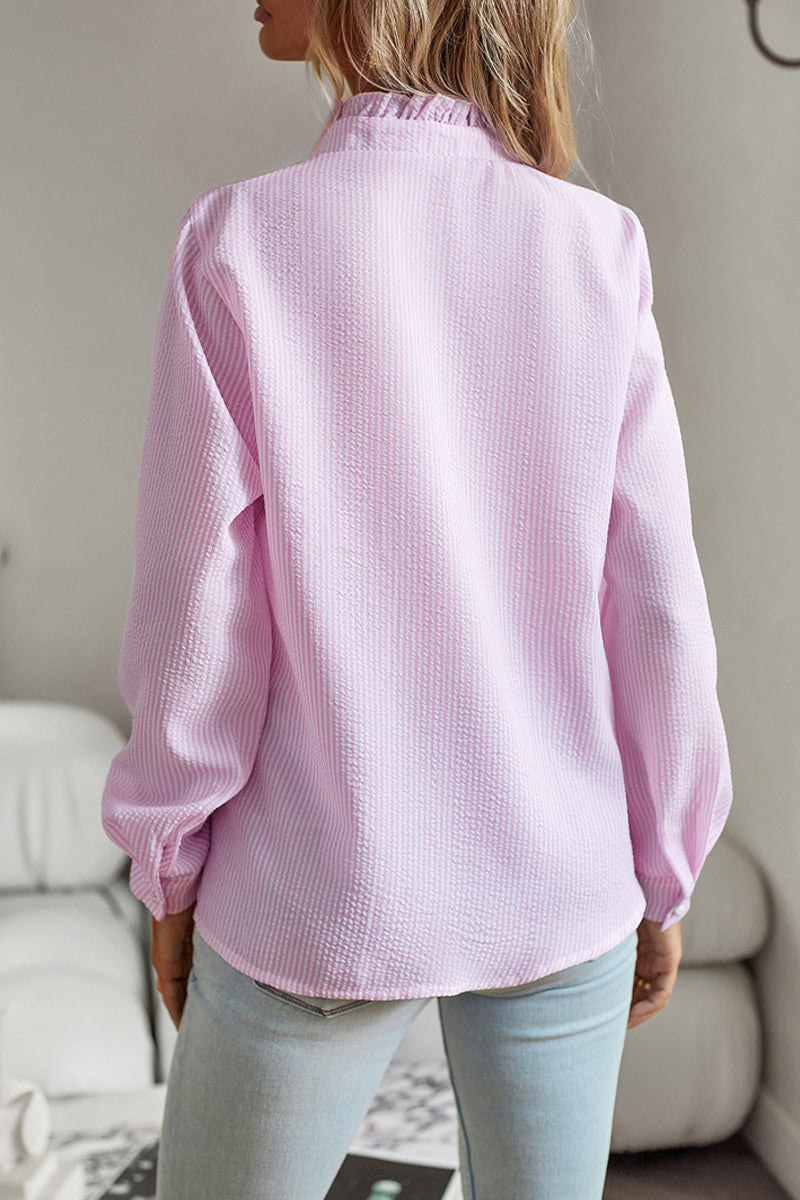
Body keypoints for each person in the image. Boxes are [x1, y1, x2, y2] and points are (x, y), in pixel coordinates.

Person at [100, 1, 733, 1197]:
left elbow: (196, 625)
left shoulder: (240, 240)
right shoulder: (596, 246)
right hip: (563, 879)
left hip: (317, 888)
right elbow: (655, 606)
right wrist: (664, 864)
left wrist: (166, 864)